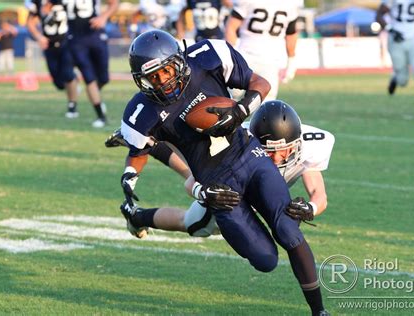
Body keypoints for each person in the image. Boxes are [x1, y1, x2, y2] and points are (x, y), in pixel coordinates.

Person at [117, 29, 328, 315]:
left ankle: (319, 311)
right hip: (217, 186)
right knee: (264, 259)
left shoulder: (208, 56)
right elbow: (142, 154)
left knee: (288, 231)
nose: (162, 82)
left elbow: (260, 83)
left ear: (178, 61)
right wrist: (131, 174)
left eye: (165, 71)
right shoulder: (142, 112)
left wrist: (240, 111)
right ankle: (138, 216)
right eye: (153, 77)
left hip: (249, 156)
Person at [107, 100, 335, 241]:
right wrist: (205, 192)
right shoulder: (240, 143)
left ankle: (149, 143)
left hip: (254, 189)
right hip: (230, 186)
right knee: (192, 223)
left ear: (296, 142)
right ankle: (137, 215)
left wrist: (310, 208)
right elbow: (191, 183)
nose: (276, 158)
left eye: (283, 150)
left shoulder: (310, 146)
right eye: (269, 151)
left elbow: (319, 194)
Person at [225, 0, 301, 101]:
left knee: (231, 99)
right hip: (269, 60)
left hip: (245, 55)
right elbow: (291, 34)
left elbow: (231, 27)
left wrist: (231, 55)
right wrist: (292, 62)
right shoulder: (290, 4)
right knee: (266, 103)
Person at [375, 0, 414, 122]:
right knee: (402, 81)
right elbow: (378, 15)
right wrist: (390, 29)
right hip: (396, 39)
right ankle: (395, 77)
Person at [64, 0, 119, 128]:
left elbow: (115, 3)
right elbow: (45, 8)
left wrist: (103, 17)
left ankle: (94, 92)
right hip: (76, 39)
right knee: (89, 77)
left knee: (104, 78)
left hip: (96, 36)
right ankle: (101, 115)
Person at [26, 0, 79, 118]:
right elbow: (30, 23)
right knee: (59, 83)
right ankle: (74, 82)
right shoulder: (37, 3)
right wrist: (39, 37)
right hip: (49, 45)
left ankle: (72, 105)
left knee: (67, 74)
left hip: (66, 43)